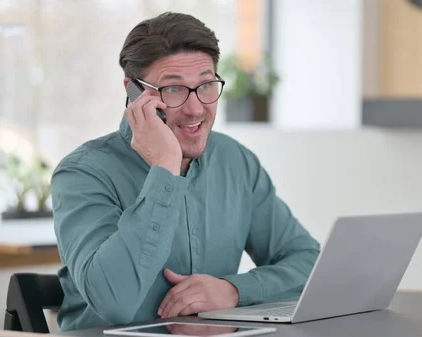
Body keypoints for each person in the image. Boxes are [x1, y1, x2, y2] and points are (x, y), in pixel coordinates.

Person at [51, 12, 320, 331]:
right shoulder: (82, 173)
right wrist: (165, 166)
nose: (196, 108)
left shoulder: (235, 161)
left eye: (206, 85)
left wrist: (233, 290)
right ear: (134, 91)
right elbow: (115, 303)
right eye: (173, 90)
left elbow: (310, 264)